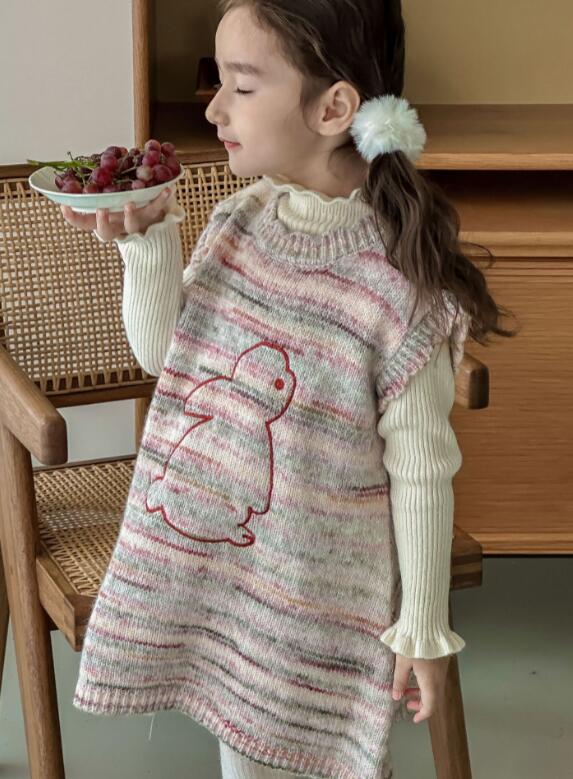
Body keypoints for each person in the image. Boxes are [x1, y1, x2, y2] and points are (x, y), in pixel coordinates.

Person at [61, 2, 516, 777]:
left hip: (315, 588)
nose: (214, 110)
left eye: (241, 86)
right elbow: (169, 358)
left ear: (333, 109)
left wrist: (422, 625)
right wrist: (147, 245)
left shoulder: (396, 283)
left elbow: (421, 470)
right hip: (221, 564)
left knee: (318, 749)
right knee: (240, 738)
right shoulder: (238, 221)